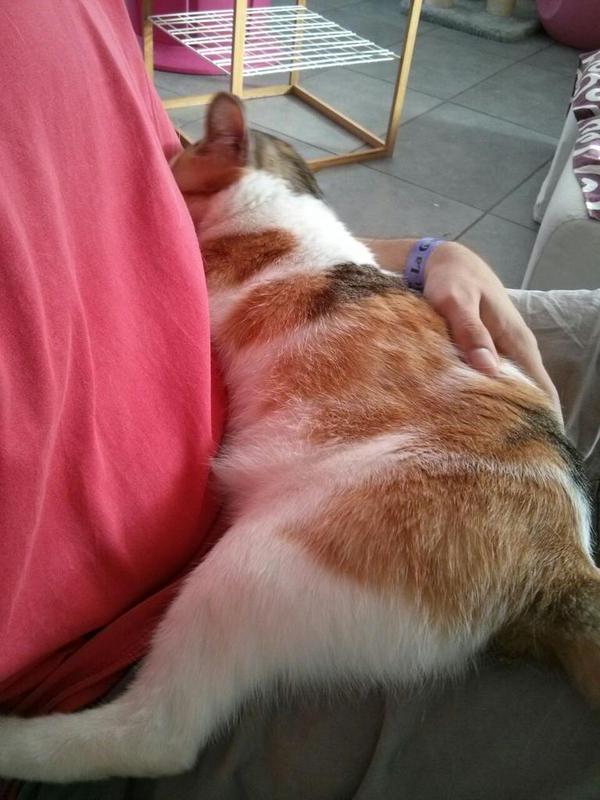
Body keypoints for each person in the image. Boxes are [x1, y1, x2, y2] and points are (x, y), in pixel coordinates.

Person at [4, 3, 592, 799]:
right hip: (181, 606)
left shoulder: (104, 30)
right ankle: (149, 729)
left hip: (428, 495)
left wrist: (428, 255)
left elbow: (237, 226)